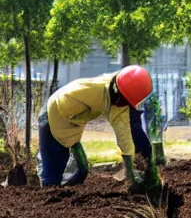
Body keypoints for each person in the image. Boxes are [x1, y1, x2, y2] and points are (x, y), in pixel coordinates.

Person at [38, 65, 159, 193]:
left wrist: (144, 162)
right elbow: (124, 138)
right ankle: (47, 195)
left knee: (81, 170)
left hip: (71, 125)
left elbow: (129, 133)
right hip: (52, 116)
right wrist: (131, 175)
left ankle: (63, 195)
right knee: (52, 176)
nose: (120, 102)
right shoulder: (106, 95)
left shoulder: (117, 92)